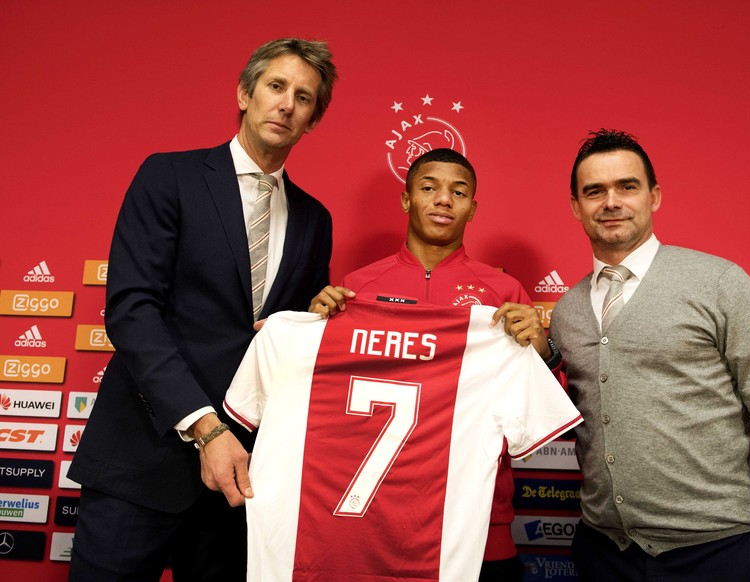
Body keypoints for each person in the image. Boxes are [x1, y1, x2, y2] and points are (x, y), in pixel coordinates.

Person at [68, 38, 337, 581]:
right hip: (142, 459)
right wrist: (206, 429)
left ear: (312, 120)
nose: (287, 104)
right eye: (276, 86)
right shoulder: (168, 177)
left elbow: (280, 338)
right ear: (245, 93)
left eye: (304, 98)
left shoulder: (315, 219)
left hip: (242, 483)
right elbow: (131, 309)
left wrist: (316, 318)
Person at [550, 129, 750, 582]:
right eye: (594, 191)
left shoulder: (719, 282)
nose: (610, 202)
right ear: (576, 206)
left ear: (654, 196)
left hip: (719, 551)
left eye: (627, 186)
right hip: (605, 551)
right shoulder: (567, 309)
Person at [310, 147, 563, 581]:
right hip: (372, 521)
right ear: (407, 200)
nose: (443, 200)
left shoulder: (502, 291)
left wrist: (542, 349)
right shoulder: (356, 290)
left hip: (479, 522)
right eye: (429, 188)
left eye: (458, 192)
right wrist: (314, 332)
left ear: (472, 208)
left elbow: (546, 407)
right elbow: (324, 410)